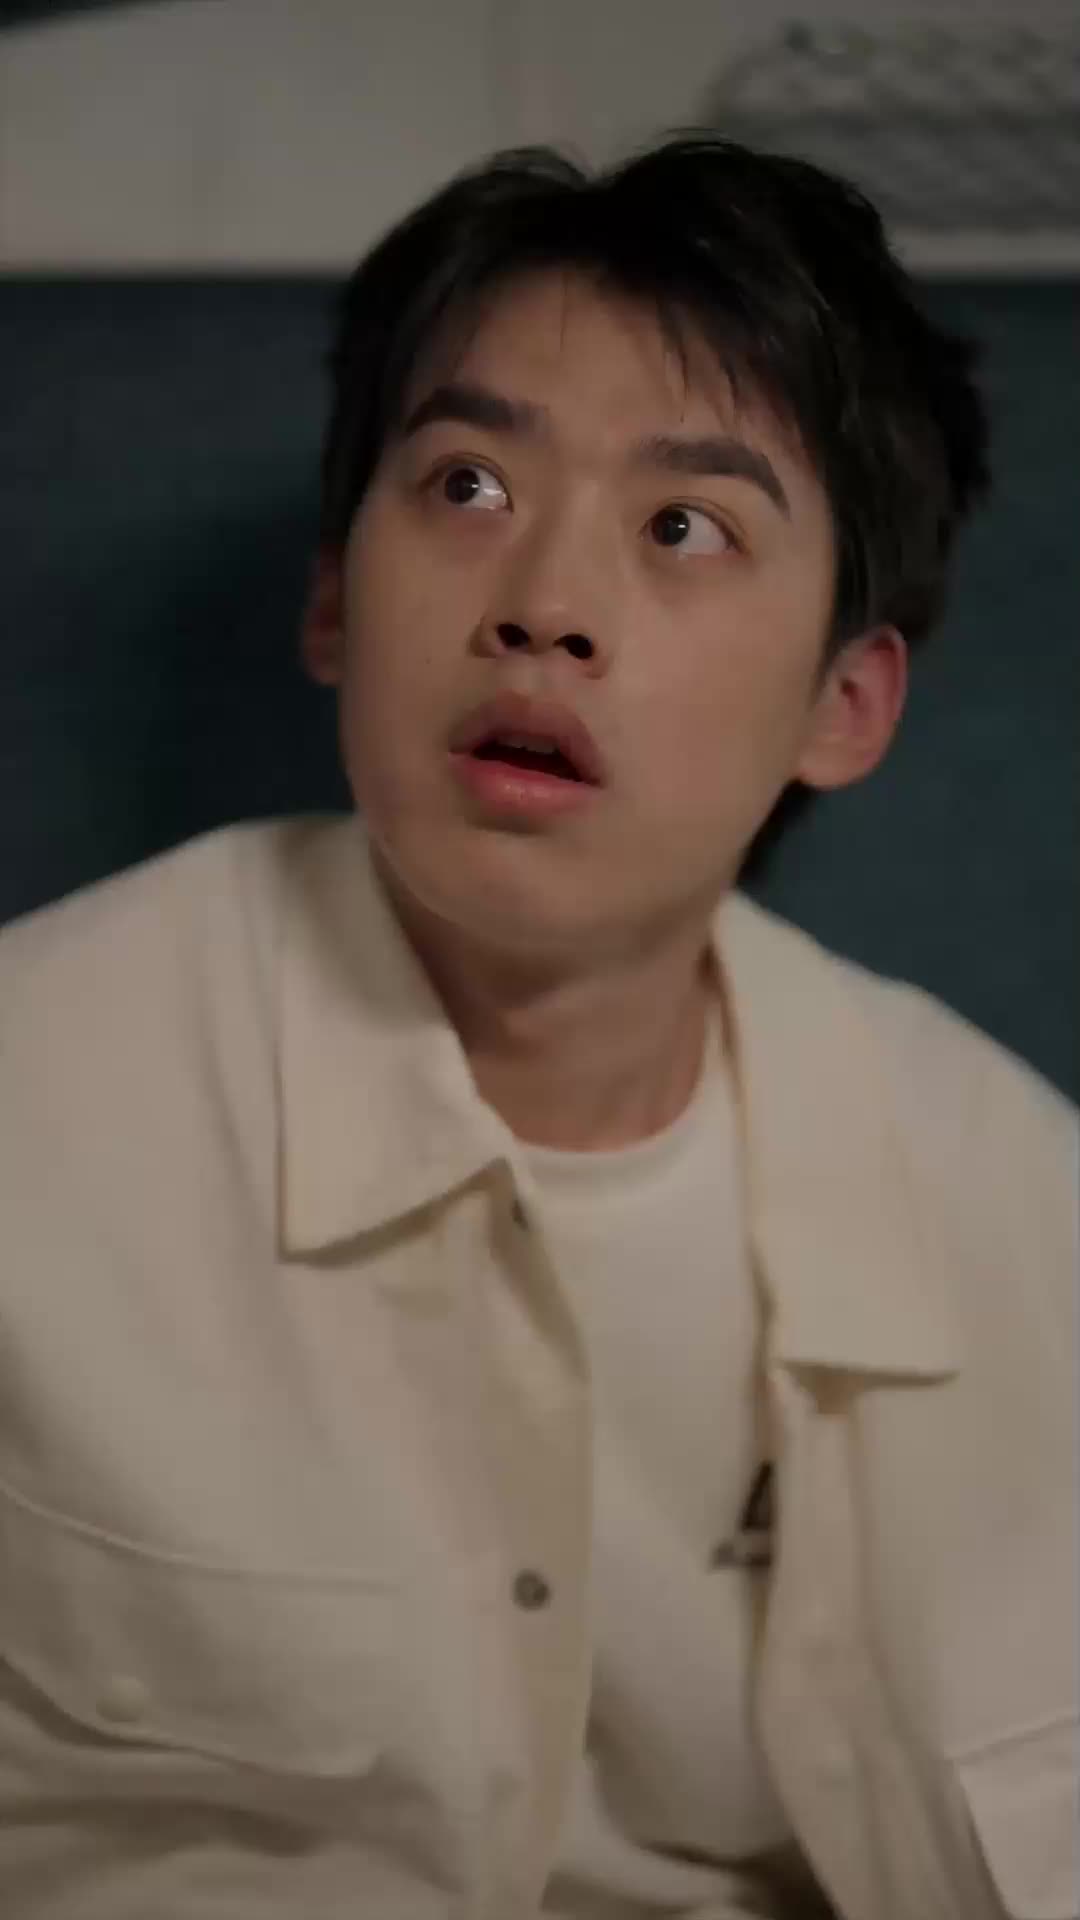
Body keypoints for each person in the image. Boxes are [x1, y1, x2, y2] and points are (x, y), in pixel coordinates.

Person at [0, 134, 1074, 1920]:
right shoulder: (37, 1100)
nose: (544, 608)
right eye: (469, 485)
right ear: (336, 596)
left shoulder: (1020, 1202)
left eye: (684, 526)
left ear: (845, 703)